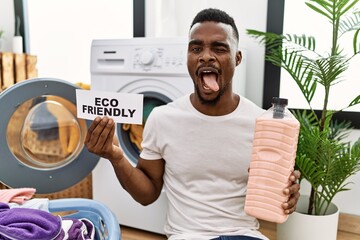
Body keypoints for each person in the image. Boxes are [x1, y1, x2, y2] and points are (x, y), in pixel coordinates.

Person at [85, 8, 300, 240]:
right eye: (196, 48)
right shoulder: (162, 118)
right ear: (187, 58)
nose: (206, 56)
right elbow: (147, 195)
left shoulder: (261, 124)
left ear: (237, 58)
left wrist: (285, 195)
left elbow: (272, 193)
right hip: (187, 235)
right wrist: (116, 157)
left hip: (244, 234)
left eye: (219, 48)